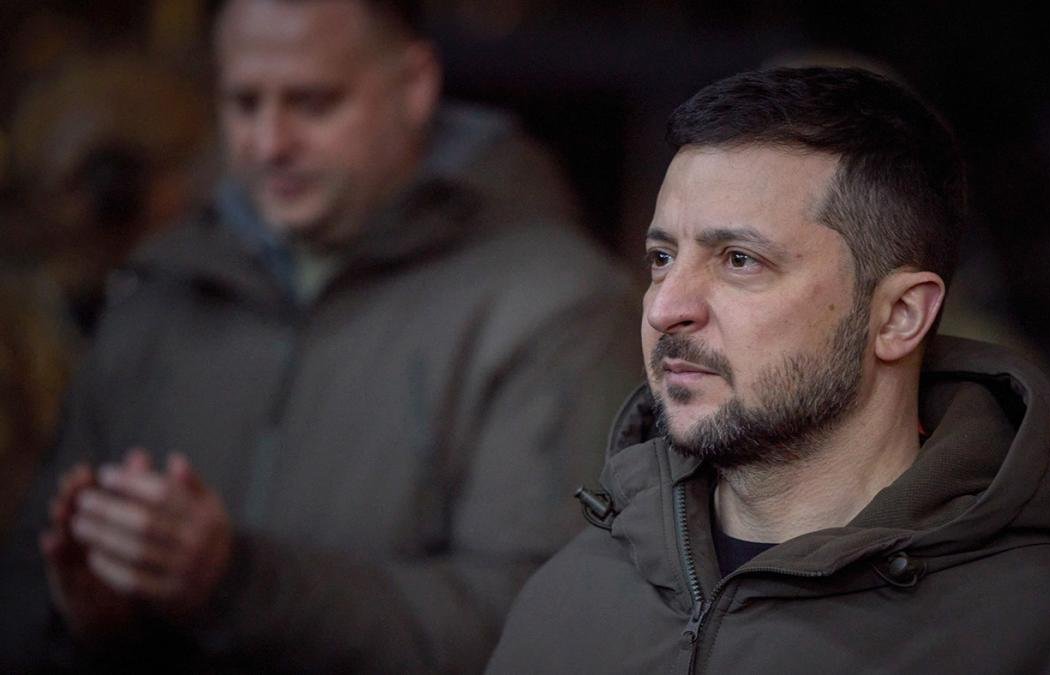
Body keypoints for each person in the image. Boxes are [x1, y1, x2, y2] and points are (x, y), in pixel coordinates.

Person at [487, 67, 1050, 673]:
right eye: (662, 257)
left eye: (740, 260)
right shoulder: (570, 602)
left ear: (899, 317)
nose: (666, 306)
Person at [0, 0, 639, 671]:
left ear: (414, 86)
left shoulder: (558, 306)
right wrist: (84, 620)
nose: (269, 143)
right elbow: (21, 586)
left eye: (312, 103)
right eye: (244, 103)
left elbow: (552, 631)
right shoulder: (160, 290)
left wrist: (237, 582)